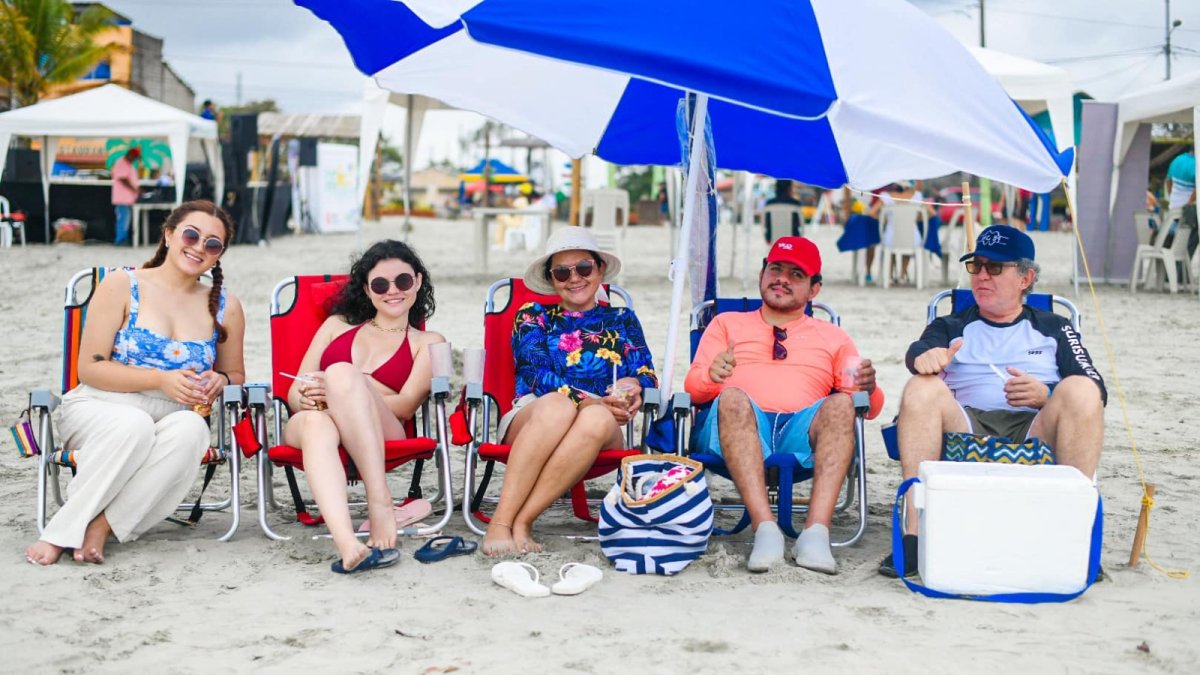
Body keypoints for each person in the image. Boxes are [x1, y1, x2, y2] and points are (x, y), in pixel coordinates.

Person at [24, 200, 245, 566]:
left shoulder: (225, 305)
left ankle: (102, 526)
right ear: (170, 234)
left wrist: (219, 380)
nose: (198, 247)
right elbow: (90, 368)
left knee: (193, 430)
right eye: (191, 234)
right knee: (134, 425)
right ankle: (60, 532)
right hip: (103, 405)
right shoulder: (122, 285)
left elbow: (235, 373)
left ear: (218, 255)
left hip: (176, 411)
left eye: (212, 244)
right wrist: (159, 378)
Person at [880, 225, 1107, 578]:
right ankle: (915, 533)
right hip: (966, 427)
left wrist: (1046, 396)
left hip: (1035, 430)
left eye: (995, 268)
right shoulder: (951, 323)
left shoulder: (1055, 326)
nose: (982, 276)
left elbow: (1095, 386)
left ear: (1025, 277)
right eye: (977, 266)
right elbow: (918, 352)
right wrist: (926, 360)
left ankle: (1073, 532)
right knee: (920, 387)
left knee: (1081, 391)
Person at [684, 236, 884, 574]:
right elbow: (694, 390)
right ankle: (765, 529)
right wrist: (712, 376)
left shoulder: (833, 337)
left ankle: (816, 533)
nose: (782, 279)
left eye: (796, 275)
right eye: (775, 269)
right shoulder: (725, 323)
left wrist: (870, 387)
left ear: (814, 289)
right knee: (732, 397)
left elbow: (868, 407)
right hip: (736, 426)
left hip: (800, 432)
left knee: (838, 405)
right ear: (763, 273)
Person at [482, 227, 658, 556]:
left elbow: (646, 372)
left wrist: (634, 385)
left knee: (596, 418)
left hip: (600, 424)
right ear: (551, 279)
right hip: (536, 414)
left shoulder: (622, 318)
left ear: (600, 270)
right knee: (559, 406)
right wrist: (589, 399)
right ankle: (502, 523)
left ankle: (522, 520)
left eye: (584, 268)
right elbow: (535, 374)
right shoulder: (533, 315)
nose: (573, 278)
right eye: (562, 272)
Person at [283, 240, 444, 574]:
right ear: (368, 291)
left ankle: (379, 501)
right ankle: (348, 545)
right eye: (380, 284)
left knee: (341, 372)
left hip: (382, 424)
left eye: (402, 281)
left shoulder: (428, 342)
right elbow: (293, 390)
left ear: (417, 281)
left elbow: (404, 405)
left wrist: (348, 390)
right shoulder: (334, 326)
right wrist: (306, 398)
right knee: (315, 422)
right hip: (316, 417)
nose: (392, 291)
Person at [111, 147, 141, 246]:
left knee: (125, 220)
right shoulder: (121, 163)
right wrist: (134, 189)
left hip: (127, 199)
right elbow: (122, 178)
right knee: (122, 220)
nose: (135, 159)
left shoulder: (128, 164)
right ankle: (120, 241)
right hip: (122, 198)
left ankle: (124, 240)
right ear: (130, 155)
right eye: (135, 157)